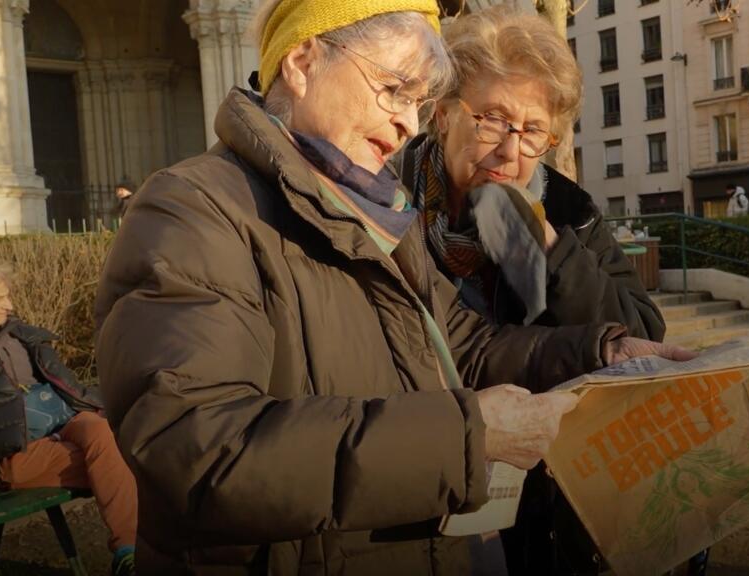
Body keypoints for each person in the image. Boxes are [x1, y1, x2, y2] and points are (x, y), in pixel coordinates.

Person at [93, 1, 692, 574]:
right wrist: (469, 435)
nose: (407, 122)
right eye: (395, 89)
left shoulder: (370, 208)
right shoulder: (192, 208)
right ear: (302, 64)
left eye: (417, 98)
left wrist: (602, 352)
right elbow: (201, 452)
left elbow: (463, 344)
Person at [397, 8, 679, 574]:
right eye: (493, 121)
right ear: (443, 112)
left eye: (532, 132)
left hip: (541, 499)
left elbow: (640, 333)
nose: (512, 151)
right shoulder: (385, 202)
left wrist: (548, 245)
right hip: (419, 488)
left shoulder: (567, 210)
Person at [0, 259, 136, 576]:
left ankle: (129, 552)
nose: (9, 306)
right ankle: (133, 550)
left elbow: (63, 383)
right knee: (124, 456)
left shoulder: (17, 335)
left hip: (61, 420)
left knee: (103, 430)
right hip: (13, 453)